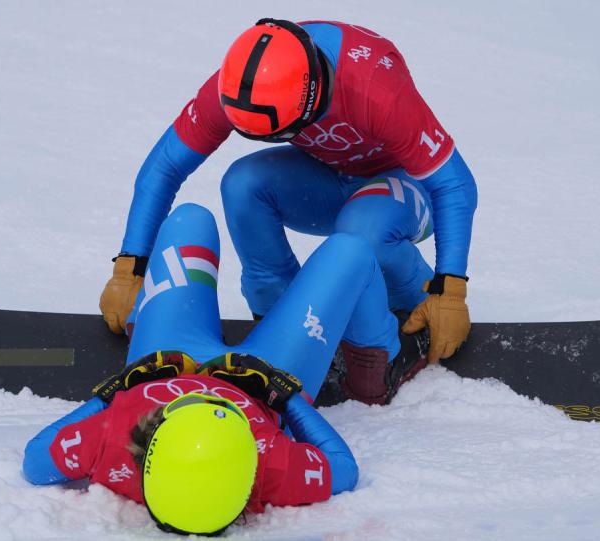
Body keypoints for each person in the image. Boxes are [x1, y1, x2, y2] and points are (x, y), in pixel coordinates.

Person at [99, 19, 478, 402]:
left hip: (406, 186)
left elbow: (455, 184)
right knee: (242, 184)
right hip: (331, 177)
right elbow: (165, 167)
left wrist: (450, 290)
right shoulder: (238, 83)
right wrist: (130, 266)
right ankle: (281, 326)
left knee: (363, 229)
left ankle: (394, 341)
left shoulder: (374, 89)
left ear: (311, 98)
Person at [24, 203, 424, 535]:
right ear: (248, 467)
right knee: (350, 252)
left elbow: (36, 458)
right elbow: (343, 469)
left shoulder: (113, 440)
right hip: (267, 370)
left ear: (150, 438)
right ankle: (374, 365)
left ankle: (144, 316)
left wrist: (117, 390)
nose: (204, 394)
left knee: (190, 219)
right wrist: (283, 396)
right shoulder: (270, 465)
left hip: (168, 354)